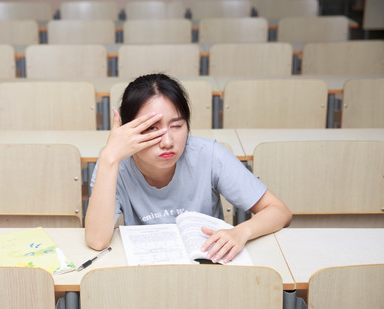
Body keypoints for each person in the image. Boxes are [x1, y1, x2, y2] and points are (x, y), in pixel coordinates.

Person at [85, 73, 292, 263]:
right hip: (147, 273)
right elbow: (96, 240)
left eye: (177, 126)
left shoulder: (208, 155)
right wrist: (109, 157)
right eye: (151, 129)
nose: (167, 141)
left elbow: (279, 211)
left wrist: (241, 232)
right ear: (127, 130)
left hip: (206, 269)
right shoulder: (112, 164)